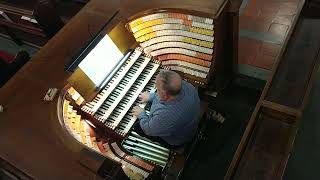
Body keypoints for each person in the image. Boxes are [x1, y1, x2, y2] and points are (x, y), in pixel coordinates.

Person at [131, 70, 200, 148]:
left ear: (164, 95)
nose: (156, 89)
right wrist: (152, 96)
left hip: (178, 139)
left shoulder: (167, 115)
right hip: (188, 124)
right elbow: (168, 94)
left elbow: (148, 129)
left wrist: (141, 115)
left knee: (137, 127)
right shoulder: (188, 86)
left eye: (157, 89)